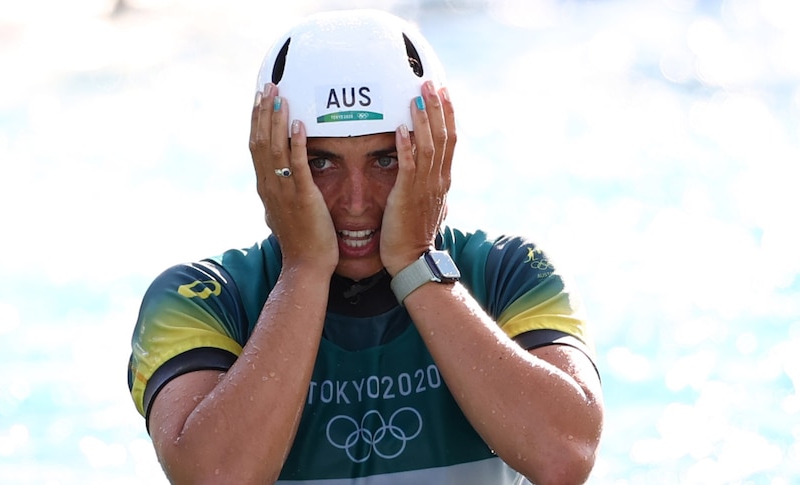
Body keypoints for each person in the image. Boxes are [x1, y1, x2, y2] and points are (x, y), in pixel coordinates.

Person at [127, 9, 603, 485]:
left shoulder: (509, 274)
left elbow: (564, 457)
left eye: (385, 160)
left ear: (435, 151)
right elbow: (216, 477)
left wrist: (417, 261)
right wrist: (304, 268)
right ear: (270, 162)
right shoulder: (198, 299)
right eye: (321, 162)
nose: (356, 203)